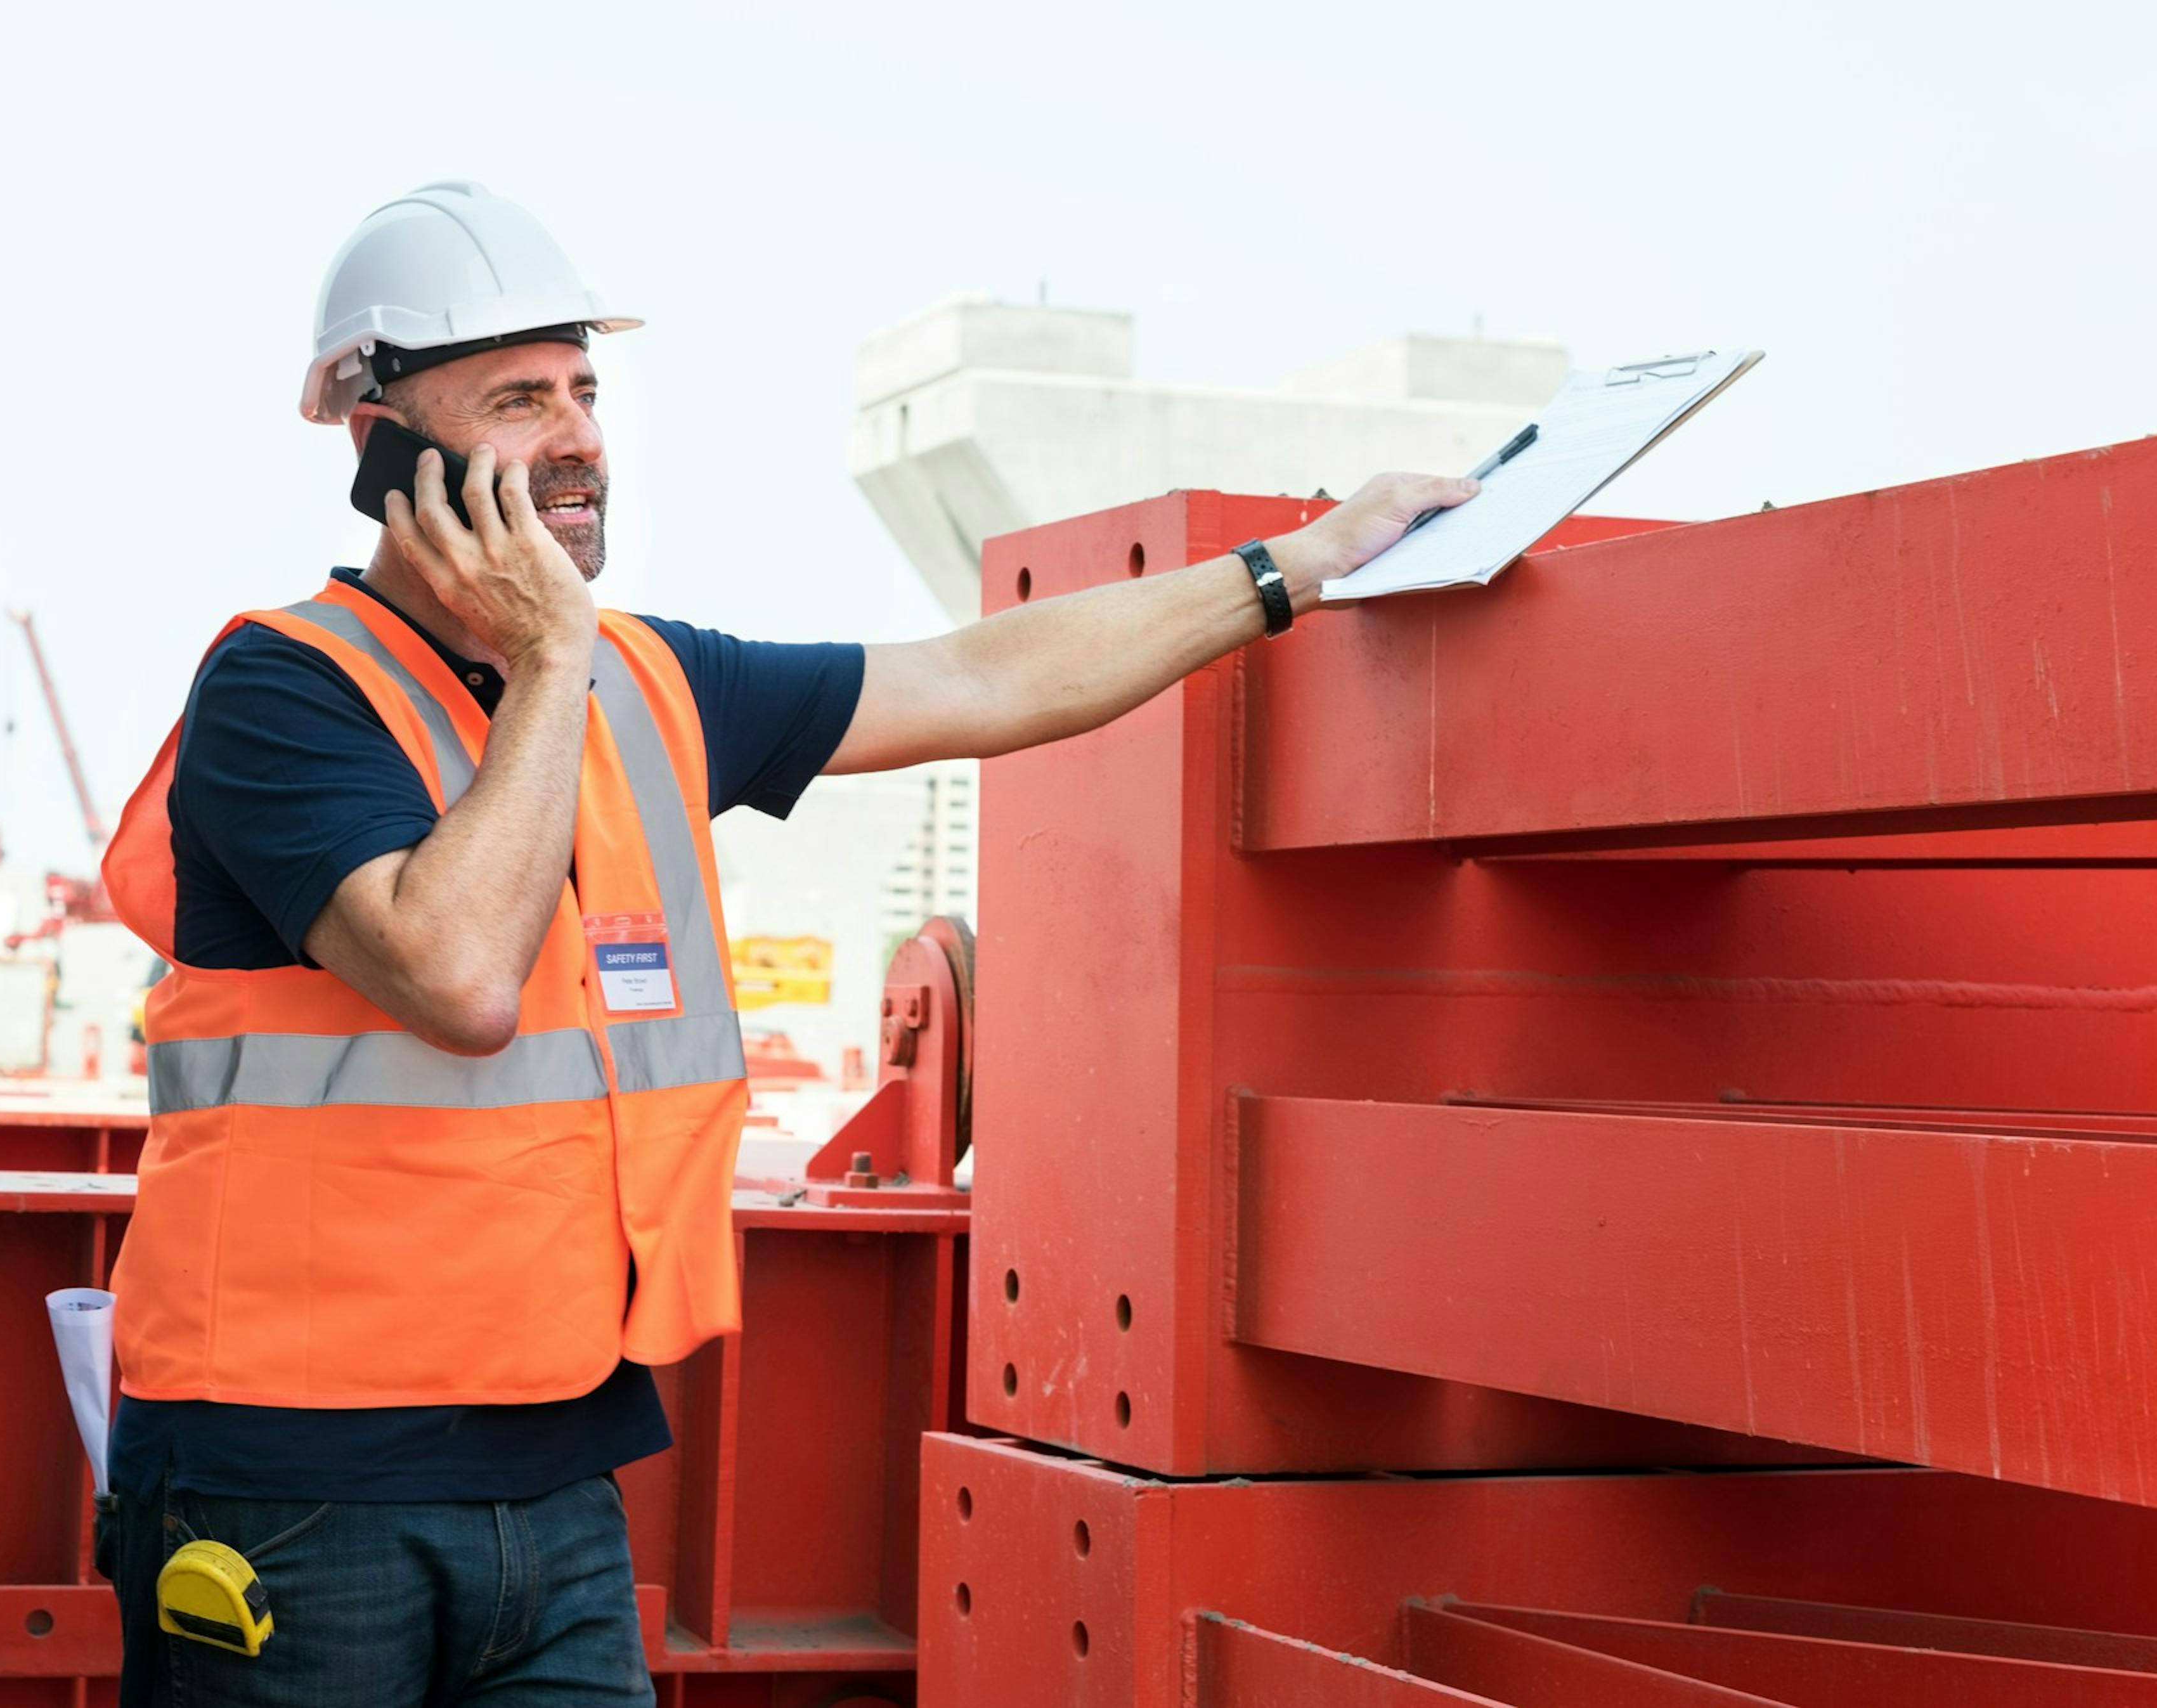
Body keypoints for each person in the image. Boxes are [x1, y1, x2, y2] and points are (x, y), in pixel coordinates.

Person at [96, 181, 1475, 1706]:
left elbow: (980, 680)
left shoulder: (646, 684)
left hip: (556, 1475)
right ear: (383, 448)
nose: (578, 438)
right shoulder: (285, 692)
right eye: (516, 402)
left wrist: (1297, 568)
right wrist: (549, 652)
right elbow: (461, 976)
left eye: (584, 392)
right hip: (289, 1489)